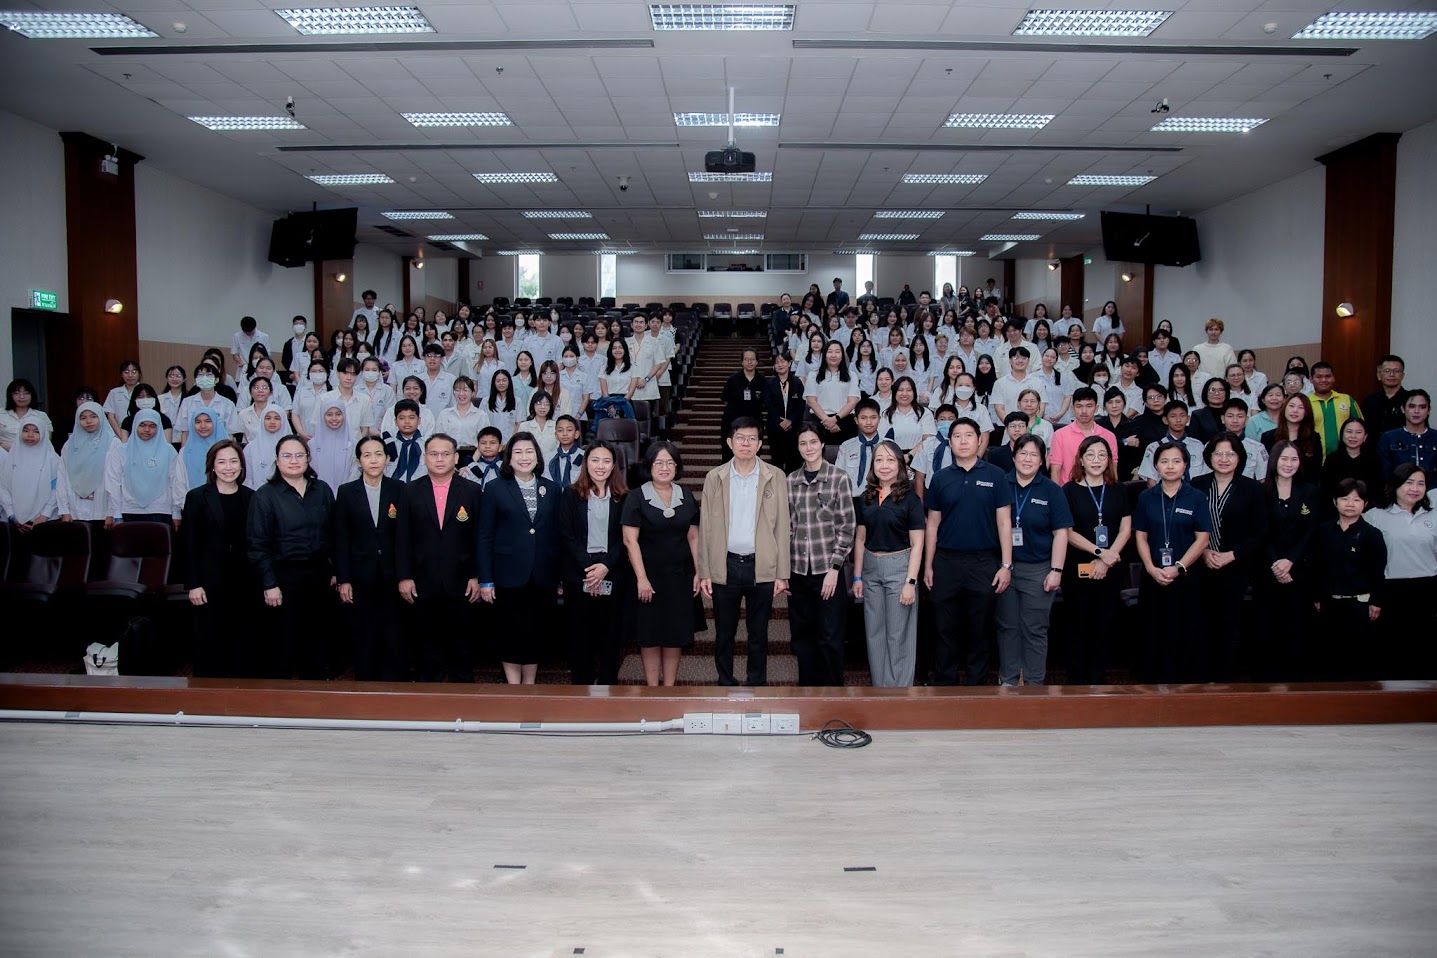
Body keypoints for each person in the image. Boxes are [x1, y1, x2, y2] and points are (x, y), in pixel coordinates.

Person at [697, 417, 790, 687]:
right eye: (740, 438)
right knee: (724, 632)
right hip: (725, 565)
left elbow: (783, 527)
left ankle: (756, 683)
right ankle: (725, 681)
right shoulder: (715, 477)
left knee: (758, 633)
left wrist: (782, 573)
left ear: (760, 444)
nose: (745, 443)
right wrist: (705, 571)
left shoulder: (775, 476)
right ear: (730, 442)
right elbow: (705, 527)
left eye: (751, 438)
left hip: (761, 565)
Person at [923, 417, 1014, 685]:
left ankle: (977, 687)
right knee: (944, 629)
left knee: (980, 629)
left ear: (979, 440)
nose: (963, 441)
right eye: (957, 436)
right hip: (946, 562)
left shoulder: (996, 475)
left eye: (969, 435)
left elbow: (1004, 522)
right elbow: (932, 524)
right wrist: (928, 565)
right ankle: (945, 685)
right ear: (950, 442)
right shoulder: (940, 478)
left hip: (983, 563)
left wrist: (1006, 565)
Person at [246, 435, 336, 680]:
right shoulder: (265, 495)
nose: (294, 460)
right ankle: (280, 693)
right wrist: (269, 584)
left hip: (319, 574)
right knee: (282, 640)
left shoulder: (322, 490)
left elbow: (334, 533)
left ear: (308, 458)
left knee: (316, 637)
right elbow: (257, 544)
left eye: (299, 455)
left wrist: (335, 570)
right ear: (277, 461)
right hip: (282, 576)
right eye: (287, 455)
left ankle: (316, 687)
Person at [394, 433, 481, 683]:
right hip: (422, 579)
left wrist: (476, 575)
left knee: (461, 641)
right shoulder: (409, 491)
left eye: (445, 454)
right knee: (426, 641)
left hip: (461, 579)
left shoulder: (472, 491)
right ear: (425, 458)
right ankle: (427, 689)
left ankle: (462, 686)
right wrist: (404, 576)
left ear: (456, 457)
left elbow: (478, 537)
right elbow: (402, 537)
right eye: (434, 454)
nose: (440, 459)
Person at [479, 432, 561, 684]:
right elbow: (485, 536)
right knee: (510, 632)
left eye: (529, 452)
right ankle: (513, 685)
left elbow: (557, 533)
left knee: (535, 632)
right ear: (509, 458)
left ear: (537, 456)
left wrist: (558, 575)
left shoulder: (551, 488)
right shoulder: (494, 488)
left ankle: (529, 684)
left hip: (542, 574)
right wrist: (486, 579)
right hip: (507, 574)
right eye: (518, 452)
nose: (524, 457)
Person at [991, 433, 1072, 686]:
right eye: (1023, 453)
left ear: (1042, 460)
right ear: (1014, 457)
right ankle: (1008, 680)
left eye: (1034, 455)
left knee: (1035, 628)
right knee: (1007, 627)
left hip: (1039, 569)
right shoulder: (1000, 484)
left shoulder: (1052, 490)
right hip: (1004, 568)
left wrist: (1056, 570)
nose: (1027, 459)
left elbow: (1061, 533)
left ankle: (1035, 684)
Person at [1132, 441, 1213, 683]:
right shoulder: (1146, 497)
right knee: (1154, 628)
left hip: (1186, 574)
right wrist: (1150, 568)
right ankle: (1152, 681)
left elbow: (1202, 539)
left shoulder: (1196, 497)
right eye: (1164, 461)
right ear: (1156, 466)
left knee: (1186, 628)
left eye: (1176, 461)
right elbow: (1140, 536)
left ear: (1185, 465)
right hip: (1154, 574)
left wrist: (1178, 567)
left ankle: (1185, 683)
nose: (1170, 466)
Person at [622, 441, 701, 687]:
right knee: (650, 634)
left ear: (677, 467)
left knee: (675, 635)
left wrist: (699, 571)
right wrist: (641, 579)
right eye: (659, 462)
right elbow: (630, 540)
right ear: (649, 466)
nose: (664, 467)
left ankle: (669, 688)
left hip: (680, 576)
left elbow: (694, 536)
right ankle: (652, 689)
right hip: (649, 577)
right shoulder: (636, 497)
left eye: (670, 463)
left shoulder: (686, 495)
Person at [1191, 434, 1268, 682]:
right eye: (1218, 454)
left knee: (1229, 623)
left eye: (1230, 454)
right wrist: (1203, 552)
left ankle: (1225, 678)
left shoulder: (1252, 488)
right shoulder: (1197, 484)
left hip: (1236, 566)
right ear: (1209, 457)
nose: (1224, 459)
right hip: (1200, 565)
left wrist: (1232, 555)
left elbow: (1261, 531)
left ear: (1239, 457)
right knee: (1201, 622)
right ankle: (1201, 677)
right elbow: (1186, 525)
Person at [847, 437, 922, 687]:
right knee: (874, 633)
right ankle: (880, 691)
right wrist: (857, 577)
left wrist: (910, 582)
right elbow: (860, 539)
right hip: (870, 569)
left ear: (900, 464)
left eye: (890, 460)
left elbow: (918, 544)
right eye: (879, 460)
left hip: (899, 568)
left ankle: (899, 693)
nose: (884, 465)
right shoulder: (865, 497)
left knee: (898, 634)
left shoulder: (911, 499)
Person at [786, 423, 856, 687]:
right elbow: (787, 528)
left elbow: (846, 527)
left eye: (813, 442)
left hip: (828, 572)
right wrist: (785, 571)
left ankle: (832, 696)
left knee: (830, 638)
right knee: (802, 637)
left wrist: (835, 569)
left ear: (823, 444)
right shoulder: (790, 481)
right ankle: (807, 694)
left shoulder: (839, 478)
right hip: (798, 572)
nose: (809, 448)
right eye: (803, 443)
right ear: (797, 447)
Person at [182, 439, 257, 678]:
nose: (228, 467)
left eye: (233, 461)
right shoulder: (197, 497)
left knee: (242, 642)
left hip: (244, 581)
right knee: (209, 641)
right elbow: (189, 544)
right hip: (208, 582)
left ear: (241, 466)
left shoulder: (252, 497)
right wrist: (193, 584)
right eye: (222, 462)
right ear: (212, 466)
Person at [1061, 434, 1132, 684]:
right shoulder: (1068, 491)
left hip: (1111, 568)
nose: (1096, 460)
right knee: (1078, 624)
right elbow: (1067, 532)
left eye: (1102, 455)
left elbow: (1125, 529)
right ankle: (1077, 680)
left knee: (1104, 624)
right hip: (1077, 567)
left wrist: (1107, 559)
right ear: (1080, 459)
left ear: (1109, 460)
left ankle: (1097, 678)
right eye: (1090, 455)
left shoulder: (1118, 489)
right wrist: (1099, 553)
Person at [557, 440, 630, 685]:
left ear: (614, 465)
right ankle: (582, 685)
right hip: (579, 572)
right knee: (579, 633)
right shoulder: (570, 494)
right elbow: (566, 534)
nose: (600, 466)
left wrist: (605, 566)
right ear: (586, 463)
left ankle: (608, 683)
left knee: (610, 633)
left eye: (606, 461)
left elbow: (625, 538)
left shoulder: (623, 497)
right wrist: (590, 568)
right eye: (595, 460)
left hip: (612, 571)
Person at [1255, 440, 1320, 681]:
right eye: (1284, 458)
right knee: (1267, 623)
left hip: (1299, 569)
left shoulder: (1310, 491)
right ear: (1274, 460)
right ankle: (1267, 678)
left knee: (1296, 624)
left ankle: (1295, 679)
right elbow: (1260, 531)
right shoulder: (1261, 491)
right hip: (1267, 569)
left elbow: (1311, 530)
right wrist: (1276, 563)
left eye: (1294, 459)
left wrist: (1290, 561)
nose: (1289, 464)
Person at [1309, 478, 1386, 680]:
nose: (1350, 504)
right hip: (1329, 604)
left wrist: (1376, 601)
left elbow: (1378, 571)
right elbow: (1316, 566)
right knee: (1329, 660)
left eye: (1356, 500)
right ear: (1335, 501)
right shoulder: (1323, 531)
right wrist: (1317, 596)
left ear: (1365, 504)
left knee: (1358, 662)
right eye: (1345, 498)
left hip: (1359, 605)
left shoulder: (1372, 534)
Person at [1363, 465, 1436, 678]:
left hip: (1427, 589)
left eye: (1421, 483)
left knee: (1426, 648)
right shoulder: (1375, 516)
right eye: (1409, 483)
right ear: (1395, 485)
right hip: (1390, 590)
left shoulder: (1433, 516)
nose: (1415, 488)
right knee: (1392, 649)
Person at [104, 410, 182, 526]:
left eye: (152, 426)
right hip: (129, 510)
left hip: (160, 510)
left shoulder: (168, 451)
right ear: (135, 425)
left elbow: (175, 482)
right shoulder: (122, 451)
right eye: (142, 425)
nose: (147, 430)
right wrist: (116, 515)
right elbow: (113, 483)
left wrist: (176, 513)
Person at [57, 402, 118, 528]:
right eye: (83, 418)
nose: (88, 421)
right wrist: (64, 510)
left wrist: (112, 512)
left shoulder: (113, 443)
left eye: (93, 416)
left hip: (103, 512)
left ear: (101, 417)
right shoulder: (70, 445)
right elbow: (62, 477)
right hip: (75, 512)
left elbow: (116, 480)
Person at [1047, 386, 1117, 483]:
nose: (1084, 411)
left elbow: (1113, 470)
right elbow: (1055, 471)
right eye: (1079, 406)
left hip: (1100, 490)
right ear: (1073, 408)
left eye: (1089, 406)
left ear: (1096, 408)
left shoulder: (1109, 436)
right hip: (1068, 490)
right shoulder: (1060, 435)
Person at [2, 414, 60, 532]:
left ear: (43, 433)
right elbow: (3, 487)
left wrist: (44, 515)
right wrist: (12, 515)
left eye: (36, 431)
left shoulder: (52, 460)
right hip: (16, 521)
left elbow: (57, 489)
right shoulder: (12, 458)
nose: (30, 435)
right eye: (26, 430)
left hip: (47, 521)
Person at [1139, 401, 1210, 486]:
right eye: (1173, 416)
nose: (1178, 420)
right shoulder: (1154, 448)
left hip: (1195, 492)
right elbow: (1151, 481)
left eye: (1182, 415)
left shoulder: (1198, 446)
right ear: (1165, 420)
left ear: (1188, 419)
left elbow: (1206, 477)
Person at [1321, 417, 1384, 512]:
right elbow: (1326, 489)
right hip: (1335, 511)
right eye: (1349, 432)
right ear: (1342, 434)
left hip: (1367, 512)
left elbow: (1377, 490)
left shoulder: (1374, 460)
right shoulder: (1332, 459)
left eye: (1358, 432)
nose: (1353, 436)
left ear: (1365, 436)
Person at [805, 341, 860, 446]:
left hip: (845, 421)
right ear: (824, 354)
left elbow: (853, 401)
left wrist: (835, 419)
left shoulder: (851, 375)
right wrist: (827, 420)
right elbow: (811, 401)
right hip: (820, 421)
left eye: (837, 352)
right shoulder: (814, 374)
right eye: (830, 352)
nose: (833, 355)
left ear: (842, 355)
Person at [1261, 394, 1323, 485]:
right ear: (1284, 408)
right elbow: (1266, 470)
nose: (1295, 410)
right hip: (1275, 487)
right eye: (1291, 406)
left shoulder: (1314, 438)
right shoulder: (1268, 437)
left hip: (1305, 489)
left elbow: (1315, 472)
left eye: (1301, 407)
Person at [1306, 362, 1362, 460]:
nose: (1324, 380)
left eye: (1328, 376)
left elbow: (1361, 428)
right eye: (1319, 377)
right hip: (1315, 460)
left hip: (1346, 460)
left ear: (1333, 378)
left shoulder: (1347, 400)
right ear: (1311, 379)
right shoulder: (1305, 403)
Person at [763, 351, 805, 474]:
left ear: (789, 363)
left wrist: (791, 420)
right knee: (777, 460)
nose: (780, 365)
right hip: (775, 427)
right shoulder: (769, 383)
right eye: (776, 362)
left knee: (794, 460)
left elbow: (801, 404)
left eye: (782, 361)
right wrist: (780, 421)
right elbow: (768, 404)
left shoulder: (797, 382)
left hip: (794, 427)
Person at [1378, 389, 1434, 478]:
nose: (1416, 411)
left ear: (1429, 410)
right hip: (1397, 486)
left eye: (1422, 407)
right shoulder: (1388, 438)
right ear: (1402, 409)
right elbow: (1385, 474)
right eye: (1412, 406)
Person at [176, 409, 230, 492]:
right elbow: (180, 481)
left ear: (215, 422)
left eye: (208, 421)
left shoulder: (227, 449)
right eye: (198, 422)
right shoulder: (185, 451)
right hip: (192, 497)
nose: (203, 426)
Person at [310, 400, 357, 494]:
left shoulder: (353, 443)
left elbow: (355, 472)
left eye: (338, 414)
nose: (334, 418)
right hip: (318, 494)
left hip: (347, 494)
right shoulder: (312, 444)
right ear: (322, 416)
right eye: (329, 414)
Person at [1361, 354, 1411, 440]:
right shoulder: (1370, 401)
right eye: (1387, 371)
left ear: (1403, 375)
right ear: (1379, 375)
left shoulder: (1411, 400)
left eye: (1397, 371)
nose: (1392, 374)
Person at [837, 397, 883, 490]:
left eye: (873, 417)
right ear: (856, 420)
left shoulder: (889, 446)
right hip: (853, 496)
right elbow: (839, 476)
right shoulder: (846, 447)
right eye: (863, 418)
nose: (869, 422)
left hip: (882, 496)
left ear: (879, 419)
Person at [102, 360, 141, 438]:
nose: (130, 375)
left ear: (139, 374)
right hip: (119, 433)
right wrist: (121, 435)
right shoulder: (114, 392)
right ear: (121, 375)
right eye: (126, 372)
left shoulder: (144, 391)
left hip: (142, 432)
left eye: (134, 372)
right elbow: (110, 416)